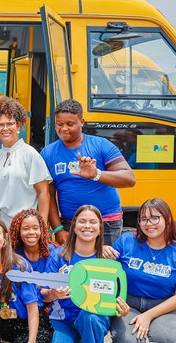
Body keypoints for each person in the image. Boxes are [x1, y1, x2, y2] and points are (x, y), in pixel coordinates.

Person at [40, 99, 136, 245]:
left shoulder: (101, 145)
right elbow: (49, 194)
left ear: (82, 122)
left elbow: (129, 179)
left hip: (106, 224)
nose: (64, 129)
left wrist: (96, 174)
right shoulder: (48, 153)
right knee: (73, 267)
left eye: (70, 124)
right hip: (71, 224)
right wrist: (58, 229)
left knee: (105, 267)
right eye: (59, 124)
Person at [105, 198, 176, 342]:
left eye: (155, 218)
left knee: (168, 338)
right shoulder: (126, 241)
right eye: (144, 219)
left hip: (164, 305)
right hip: (128, 304)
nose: (149, 224)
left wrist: (148, 315)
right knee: (128, 340)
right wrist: (103, 251)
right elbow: (105, 268)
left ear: (168, 219)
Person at [0, 97, 51, 226]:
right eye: (1, 124)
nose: (5, 128)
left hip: (20, 225)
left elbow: (43, 193)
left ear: (18, 125)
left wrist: (42, 226)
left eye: (10, 124)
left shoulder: (30, 154)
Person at [0, 217, 52, 343]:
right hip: (6, 320)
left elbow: (32, 309)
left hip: (29, 324)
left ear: (5, 238)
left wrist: (31, 341)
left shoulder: (20, 267)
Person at [44, 205, 114, 343]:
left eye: (93, 222)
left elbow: (114, 296)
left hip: (94, 318)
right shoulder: (58, 256)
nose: (87, 226)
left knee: (90, 318)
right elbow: (43, 294)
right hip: (62, 319)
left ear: (100, 228)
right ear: (74, 227)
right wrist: (52, 294)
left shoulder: (107, 259)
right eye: (82, 221)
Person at [9, 209, 54, 273]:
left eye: (35, 228)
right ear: (19, 232)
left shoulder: (52, 252)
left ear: (42, 230)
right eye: (26, 229)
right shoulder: (14, 255)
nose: (31, 232)